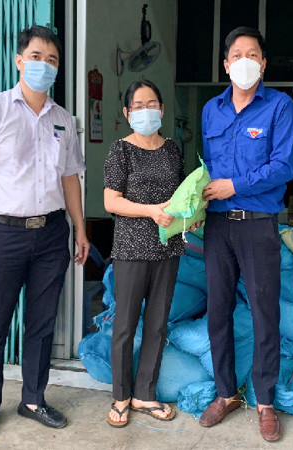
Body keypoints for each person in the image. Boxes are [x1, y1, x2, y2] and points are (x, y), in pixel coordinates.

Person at [0, 26, 90, 443]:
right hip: (3, 234)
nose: (44, 65)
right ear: (19, 61)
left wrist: (80, 230)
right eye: (36, 56)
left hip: (51, 234)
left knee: (42, 324)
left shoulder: (63, 120)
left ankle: (33, 399)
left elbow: (70, 179)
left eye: (52, 60)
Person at [199, 26, 293, 442]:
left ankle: (265, 402)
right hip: (217, 225)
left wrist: (234, 186)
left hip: (258, 224)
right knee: (218, 311)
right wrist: (196, 204)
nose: (245, 61)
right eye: (237, 54)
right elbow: (206, 167)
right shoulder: (211, 110)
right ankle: (226, 393)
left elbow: (284, 166)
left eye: (252, 54)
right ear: (226, 65)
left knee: (264, 313)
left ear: (263, 63)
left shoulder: (280, 106)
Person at [103, 80, 196, 428]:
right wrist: (151, 211)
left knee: (157, 325)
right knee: (125, 326)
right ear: (127, 113)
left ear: (162, 109)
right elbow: (111, 202)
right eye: (138, 106)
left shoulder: (171, 150)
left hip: (167, 247)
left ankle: (145, 393)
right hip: (131, 249)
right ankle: (121, 396)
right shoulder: (121, 151)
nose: (146, 111)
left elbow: (182, 192)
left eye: (152, 104)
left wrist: (192, 212)